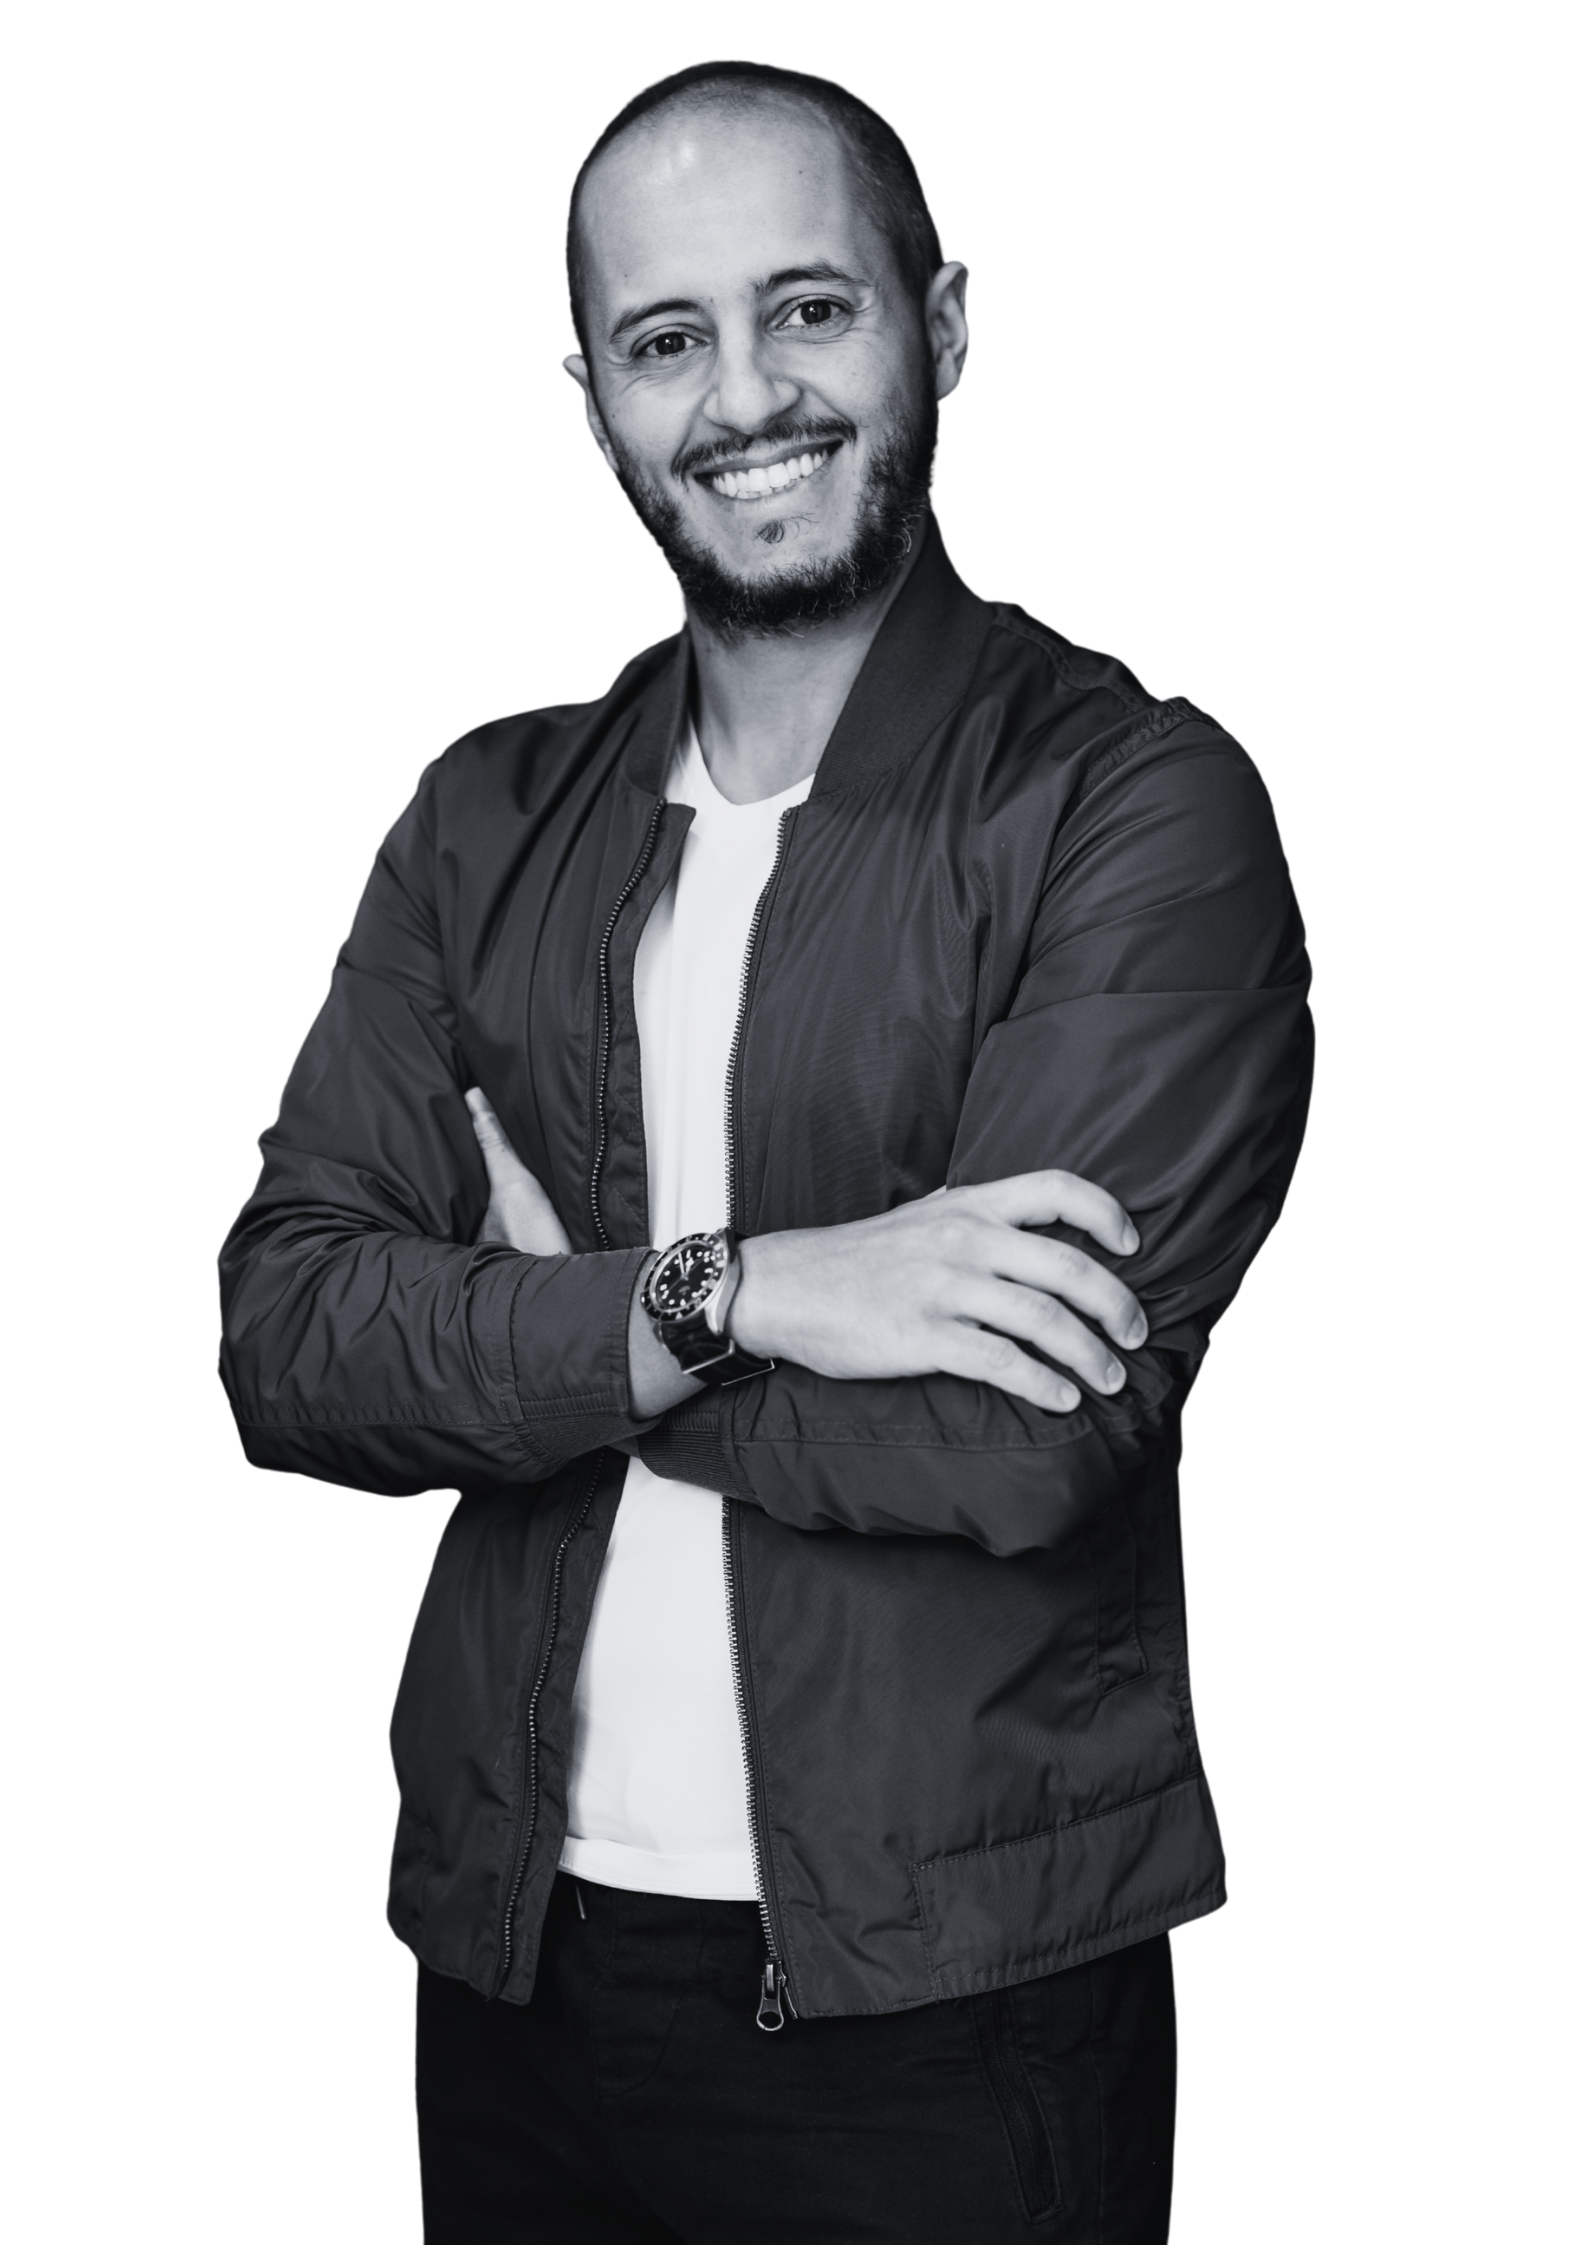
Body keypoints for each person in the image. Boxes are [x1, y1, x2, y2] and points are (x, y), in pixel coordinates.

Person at [216, 56, 1314, 2245]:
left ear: (946, 323)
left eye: (806, 309)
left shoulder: (1136, 808)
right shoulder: (483, 817)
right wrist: (757, 1291)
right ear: (593, 409)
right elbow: (287, 1339)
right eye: (666, 340)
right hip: (505, 1953)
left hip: (950, 2004)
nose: (745, 394)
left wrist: (553, 1347)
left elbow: (1023, 1439)